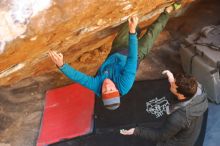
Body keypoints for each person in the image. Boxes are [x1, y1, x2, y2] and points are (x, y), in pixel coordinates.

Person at [49, 4, 179, 110]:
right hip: (136, 54)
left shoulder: (97, 86)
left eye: (105, 90)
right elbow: (132, 59)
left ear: (101, 93)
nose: (106, 85)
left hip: (117, 50)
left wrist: (61, 65)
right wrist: (132, 33)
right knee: (152, 33)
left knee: (129, 21)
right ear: (116, 89)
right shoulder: (125, 84)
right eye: (110, 88)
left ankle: (137, 26)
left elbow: (79, 78)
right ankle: (168, 11)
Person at [120, 70, 208, 146]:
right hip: (191, 133)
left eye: (173, 84)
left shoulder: (178, 117)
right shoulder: (199, 89)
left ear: (181, 95)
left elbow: (161, 135)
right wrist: (173, 80)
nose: (171, 82)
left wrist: (136, 131)